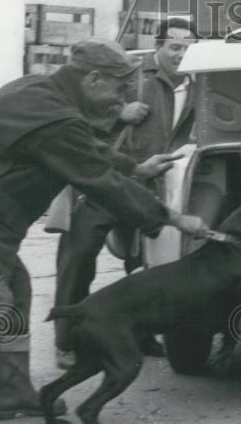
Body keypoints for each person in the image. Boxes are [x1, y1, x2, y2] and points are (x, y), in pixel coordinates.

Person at [0, 38, 209, 424]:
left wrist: (135, 166)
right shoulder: (53, 114)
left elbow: (88, 150)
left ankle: (11, 393)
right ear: (93, 78)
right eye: (119, 90)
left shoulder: (42, 93)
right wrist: (172, 217)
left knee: (17, 289)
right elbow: (96, 178)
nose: (122, 101)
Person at [53, 18, 197, 367]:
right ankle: (67, 341)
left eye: (189, 47)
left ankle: (141, 334)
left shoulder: (202, 84)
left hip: (163, 185)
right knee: (80, 252)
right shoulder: (131, 77)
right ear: (158, 48)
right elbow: (77, 122)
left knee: (149, 266)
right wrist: (120, 115)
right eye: (174, 47)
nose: (182, 54)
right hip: (111, 180)